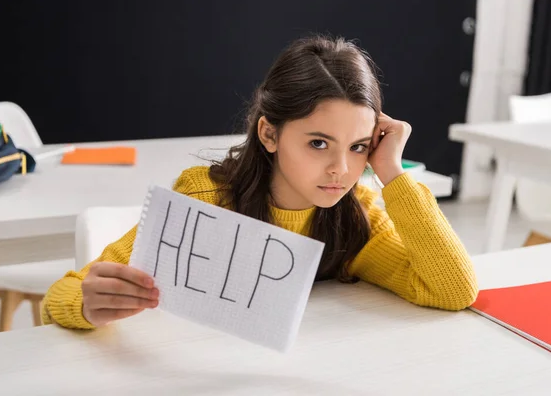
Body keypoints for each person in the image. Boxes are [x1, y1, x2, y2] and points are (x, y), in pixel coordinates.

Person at [42, 35, 478, 329]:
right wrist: (86, 304)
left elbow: (453, 289)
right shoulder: (206, 200)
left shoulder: (355, 216)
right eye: (319, 143)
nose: (342, 170)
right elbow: (59, 296)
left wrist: (392, 173)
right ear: (269, 133)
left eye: (359, 146)